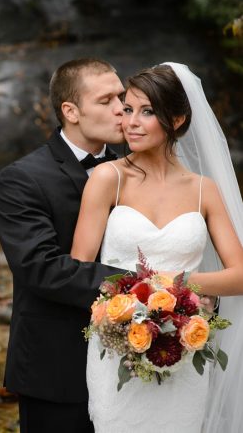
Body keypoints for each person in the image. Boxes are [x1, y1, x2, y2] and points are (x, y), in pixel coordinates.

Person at [71, 62, 243, 433]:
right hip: (118, 351)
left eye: (146, 112)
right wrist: (130, 306)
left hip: (184, 350)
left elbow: (240, 275)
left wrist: (178, 287)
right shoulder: (107, 178)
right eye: (127, 109)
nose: (130, 121)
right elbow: (79, 268)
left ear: (177, 119)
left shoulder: (203, 189)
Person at [0, 58, 129, 432]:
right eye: (106, 101)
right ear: (70, 111)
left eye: (121, 97)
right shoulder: (22, 178)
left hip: (134, 359)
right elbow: (41, 269)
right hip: (55, 364)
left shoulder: (136, 172)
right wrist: (141, 286)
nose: (121, 108)